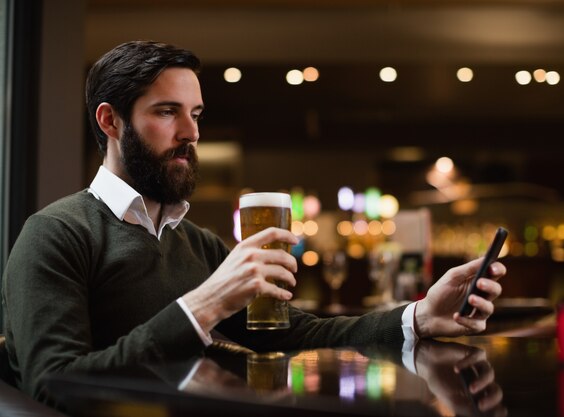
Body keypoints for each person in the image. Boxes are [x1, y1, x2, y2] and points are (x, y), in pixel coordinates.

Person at [1, 40, 505, 403]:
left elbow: (289, 335)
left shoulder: (196, 243)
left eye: (196, 113)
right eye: (168, 112)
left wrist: (418, 316)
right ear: (110, 121)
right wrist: (206, 304)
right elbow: (54, 383)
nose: (191, 132)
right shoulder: (56, 234)